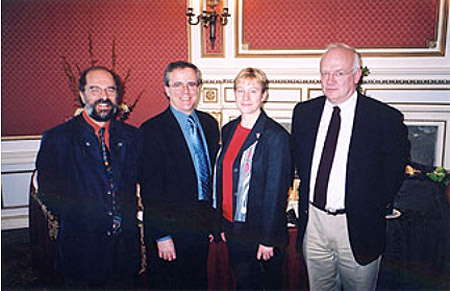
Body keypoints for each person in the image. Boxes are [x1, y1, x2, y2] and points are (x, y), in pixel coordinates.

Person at [291, 43, 410, 290]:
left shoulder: (384, 119)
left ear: (357, 75)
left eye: (339, 73)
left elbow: (393, 175)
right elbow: (300, 164)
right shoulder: (304, 113)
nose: (330, 80)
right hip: (314, 223)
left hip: (357, 227)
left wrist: (368, 206)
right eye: (325, 73)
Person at [36, 66, 141, 289]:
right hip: (81, 249)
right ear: (82, 95)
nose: (104, 97)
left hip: (124, 249)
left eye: (110, 90)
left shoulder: (132, 136)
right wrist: (80, 221)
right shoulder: (58, 138)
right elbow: (49, 192)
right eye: (95, 90)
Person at [139, 61, 220, 290]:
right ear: (166, 89)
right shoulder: (152, 130)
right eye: (178, 85)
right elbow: (150, 189)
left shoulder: (209, 124)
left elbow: (211, 177)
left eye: (191, 84)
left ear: (198, 87)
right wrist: (162, 235)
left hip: (200, 228)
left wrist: (213, 222)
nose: (186, 91)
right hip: (170, 232)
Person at [213, 68, 292, 290]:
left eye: (253, 91)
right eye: (240, 90)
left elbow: (276, 192)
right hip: (232, 227)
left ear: (264, 95)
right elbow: (223, 178)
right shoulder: (228, 130)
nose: (246, 97)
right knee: (243, 284)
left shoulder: (275, 136)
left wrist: (267, 239)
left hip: (260, 232)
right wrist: (221, 221)